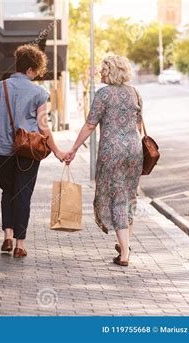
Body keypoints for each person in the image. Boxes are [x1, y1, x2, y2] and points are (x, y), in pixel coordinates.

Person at [0, 44, 67, 258]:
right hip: (28, 152)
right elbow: (43, 126)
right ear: (31, 69)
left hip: (2, 150)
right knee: (23, 195)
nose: (36, 76)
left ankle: (7, 235)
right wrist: (58, 152)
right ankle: (19, 244)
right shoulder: (39, 93)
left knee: (7, 192)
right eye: (36, 72)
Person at [66, 55, 143, 267]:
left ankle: (124, 254)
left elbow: (90, 125)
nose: (100, 72)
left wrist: (73, 148)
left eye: (103, 69)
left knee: (117, 198)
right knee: (129, 196)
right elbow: (139, 125)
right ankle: (124, 243)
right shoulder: (135, 92)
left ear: (111, 71)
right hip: (135, 151)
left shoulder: (103, 94)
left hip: (113, 152)